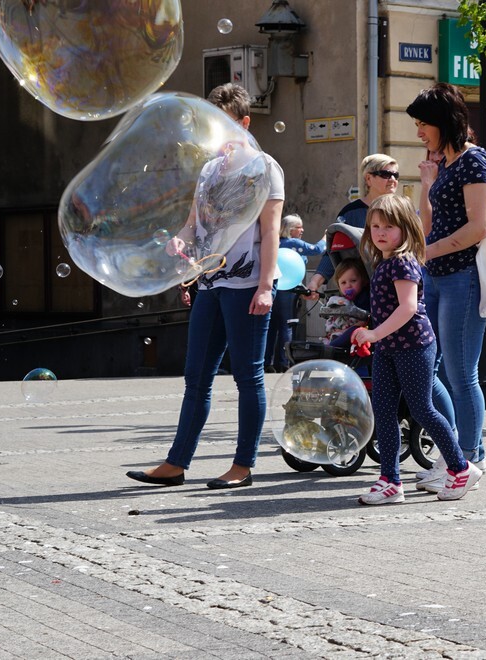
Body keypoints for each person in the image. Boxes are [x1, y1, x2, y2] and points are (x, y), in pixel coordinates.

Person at [125, 83, 284, 490]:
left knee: (248, 377)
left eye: (226, 123)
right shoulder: (209, 170)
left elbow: (270, 233)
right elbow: (196, 226)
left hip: (247, 284)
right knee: (196, 376)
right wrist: (181, 241)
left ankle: (242, 465)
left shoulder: (265, 167)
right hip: (210, 284)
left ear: (245, 123)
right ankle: (177, 463)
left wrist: (266, 286)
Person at [351, 194, 482, 504]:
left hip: (413, 347)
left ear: (406, 228)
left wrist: (374, 333)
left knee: (422, 409)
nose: (380, 232)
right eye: (375, 226)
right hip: (388, 348)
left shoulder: (402, 261)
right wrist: (371, 334)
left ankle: (461, 468)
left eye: (389, 226)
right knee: (383, 411)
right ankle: (390, 481)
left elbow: (408, 308)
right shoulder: (385, 260)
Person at [405, 83, 486, 493]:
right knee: (435, 370)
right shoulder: (447, 162)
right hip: (438, 277)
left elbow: (479, 227)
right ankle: (456, 456)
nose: (419, 132)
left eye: (424, 124)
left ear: (444, 122)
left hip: (463, 277)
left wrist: (428, 251)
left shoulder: (475, 161)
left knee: (462, 374)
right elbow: (429, 221)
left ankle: (468, 463)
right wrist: (427, 184)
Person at [304, 154, 399, 296]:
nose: (392, 180)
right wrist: (315, 281)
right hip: (363, 294)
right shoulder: (351, 213)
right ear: (368, 179)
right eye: (385, 174)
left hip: (398, 286)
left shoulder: (402, 210)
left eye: (395, 175)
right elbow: (333, 251)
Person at [265, 213, 325, 372]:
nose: (302, 230)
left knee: (271, 326)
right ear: (291, 230)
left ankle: (267, 362)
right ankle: (285, 362)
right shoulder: (293, 243)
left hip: (274, 288)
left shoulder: (276, 243)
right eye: (299, 227)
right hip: (289, 289)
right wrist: (326, 237)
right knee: (287, 325)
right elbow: (317, 249)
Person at [324, 258, 371, 348]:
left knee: (354, 330)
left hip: (359, 329)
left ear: (363, 281)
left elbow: (365, 320)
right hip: (344, 327)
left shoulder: (364, 297)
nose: (348, 285)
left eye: (353, 281)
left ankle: (332, 347)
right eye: (343, 283)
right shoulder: (342, 299)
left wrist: (343, 332)